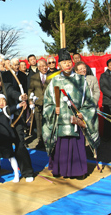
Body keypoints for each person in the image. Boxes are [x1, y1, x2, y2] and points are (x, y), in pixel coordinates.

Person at [42, 48, 99, 179]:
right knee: (61, 146)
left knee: (76, 145)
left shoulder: (81, 80)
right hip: (60, 120)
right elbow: (47, 102)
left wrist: (83, 113)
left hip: (75, 121)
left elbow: (88, 101)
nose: (67, 64)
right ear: (59, 65)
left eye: (69, 62)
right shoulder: (54, 81)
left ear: (72, 63)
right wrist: (53, 109)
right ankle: (58, 169)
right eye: (64, 62)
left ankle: (78, 171)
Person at [0, 72, 34, 182]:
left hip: (14, 122)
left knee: (20, 146)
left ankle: (27, 172)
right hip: (0, 125)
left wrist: (20, 97)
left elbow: (13, 93)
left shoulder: (6, 87)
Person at [0, 94, 27, 183]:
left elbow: (13, 108)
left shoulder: (6, 110)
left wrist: (20, 105)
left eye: (3, 100)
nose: (2, 102)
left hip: (6, 138)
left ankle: (16, 174)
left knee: (10, 156)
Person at [28, 59, 50, 148]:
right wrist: (30, 101)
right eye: (42, 66)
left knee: (48, 122)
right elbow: (30, 90)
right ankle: (40, 140)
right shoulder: (34, 77)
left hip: (49, 104)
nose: (44, 68)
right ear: (38, 67)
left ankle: (48, 140)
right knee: (39, 122)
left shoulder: (51, 76)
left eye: (45, 66)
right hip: (38, 104)